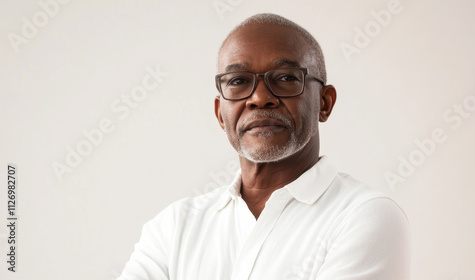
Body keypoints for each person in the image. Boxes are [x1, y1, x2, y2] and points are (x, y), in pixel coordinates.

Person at [119, 13, 410, 280]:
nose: (259, 98)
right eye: (238, 81)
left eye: (285, 78)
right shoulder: (173, 227)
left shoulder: (363, 216)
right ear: (221, 113)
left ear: (325, 102)